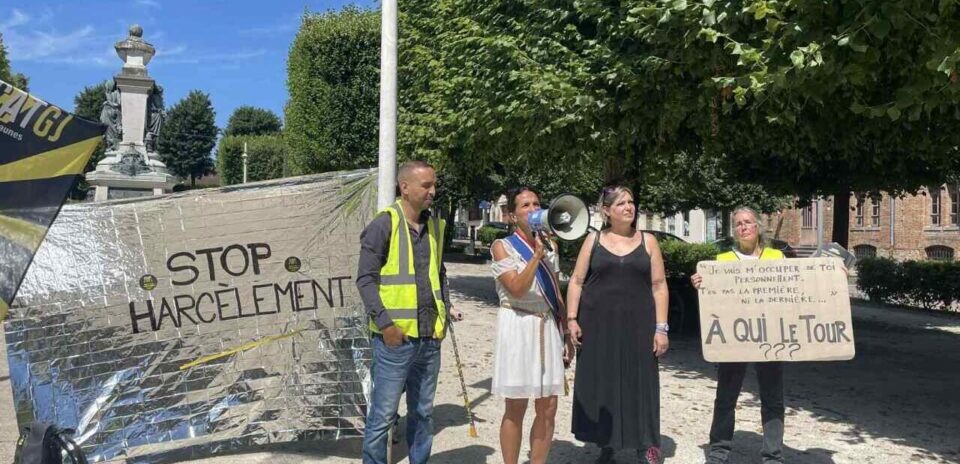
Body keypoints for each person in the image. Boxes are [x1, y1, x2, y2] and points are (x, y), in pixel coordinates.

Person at [356, 160, 464, 464]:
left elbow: (438, 274)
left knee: (423, 414)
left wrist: (445, 310)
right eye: (426, 185)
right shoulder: (384, 224)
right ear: (405, 187)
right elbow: (365, 279)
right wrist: (386, 325)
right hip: (395, 340)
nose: (433, 191)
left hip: (430, 339)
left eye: (434, 184)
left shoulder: (435, 226)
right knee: (382, 416)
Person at [567, 185, 669, 464]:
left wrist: (661, 328)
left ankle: (647, 444)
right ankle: (607, 443)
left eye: (631, 202)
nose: (629, 207)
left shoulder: (648, 241)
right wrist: (572, 319)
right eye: (621, 203)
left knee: (642, 384)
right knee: (604, 383)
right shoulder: (594, 240)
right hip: (598, 325)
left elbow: (659, 285)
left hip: (639, 325)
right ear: (607, 211)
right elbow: (576, 281)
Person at [690, 206, 786, 464]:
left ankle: (773, 456)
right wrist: (701, 283)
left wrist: (833, 273)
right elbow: (715, 298)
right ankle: (719, 451)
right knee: (726, 395)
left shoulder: (776, 256)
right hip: (734, 337)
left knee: (773, 397)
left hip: (769, 335)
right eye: (738, 224)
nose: (743, 227)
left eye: (748, 222)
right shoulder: (722, 260)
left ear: (758, 226)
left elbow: (798, 286)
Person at [490, 186, 574, 464]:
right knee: (516, 405)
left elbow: (556, 291)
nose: (533, 209)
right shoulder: (502, 246)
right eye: (525, 205)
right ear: (513, 216)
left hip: (546, 324)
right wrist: (537, 256)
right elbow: (516, 288)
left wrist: (565, 330)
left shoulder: (552, 246)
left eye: (536, 203)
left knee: (548, 406)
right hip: (518, 323)